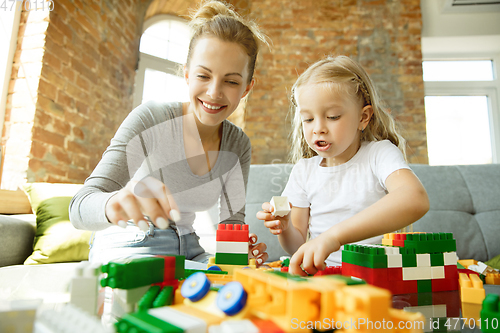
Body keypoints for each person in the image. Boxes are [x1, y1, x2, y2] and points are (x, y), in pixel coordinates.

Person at [70, 0, 269, 266]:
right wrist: (114, 202)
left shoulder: (238, 143)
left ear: (246, 88)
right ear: (187, 74)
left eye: (231, 81)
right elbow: (79, 207)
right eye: (203, 76)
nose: (214, 92)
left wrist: (239, 257)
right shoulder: (151, 118)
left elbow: (232, 222)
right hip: (134, 239)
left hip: (189, 246)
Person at [257, 56, 430, 276]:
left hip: (375, 276)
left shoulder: (378, 154)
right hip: (325, 277)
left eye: (333, 116)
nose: (318, 128)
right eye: (308, 119)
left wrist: (334, 237)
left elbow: (415, 198)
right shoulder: (304, 170)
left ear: (363, 117)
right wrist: (285, 227)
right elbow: (297, 246)